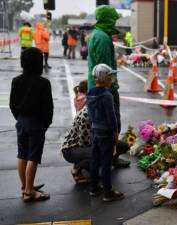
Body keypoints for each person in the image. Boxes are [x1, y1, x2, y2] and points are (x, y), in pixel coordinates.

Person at [9, 47, 53, 202]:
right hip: (36, 123)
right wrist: (44, 125)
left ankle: (25, 187)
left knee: (22, 154)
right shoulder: (43, 83)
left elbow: (12, 104)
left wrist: (20, 118)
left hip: (21, 121)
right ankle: (29, 191)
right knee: (33, 156)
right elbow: (48, 109)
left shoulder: (16, 80)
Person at [61, 105, 131, 184]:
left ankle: (110, 161)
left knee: (123, 146)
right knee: (99, 154)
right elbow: (84, 143)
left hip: (93, 142)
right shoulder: (86, 116)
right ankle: (77, 168)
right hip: (73, 149)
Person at [87, 64, 124, 202]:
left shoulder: (90, 92)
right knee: (106, 162)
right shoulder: (107, 95)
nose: (112, 78)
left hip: (95, 130)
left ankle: (93, 187)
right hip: (106, 132)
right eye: (110, 76)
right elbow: (111, 116)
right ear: (104, 78)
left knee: (95, 160)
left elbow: (90, 115)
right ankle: (108, 192)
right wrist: (115, 132)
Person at [88, 5, 121, 133]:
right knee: (110, 127)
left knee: (98, 127)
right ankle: (110, 152)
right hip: (104, 89)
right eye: (113, 19)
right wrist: (110, 89)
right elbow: (103, 69)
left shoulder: (98, 34)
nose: (115, 22)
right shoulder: (102, 38)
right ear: (108, 19)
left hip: (97, 87)